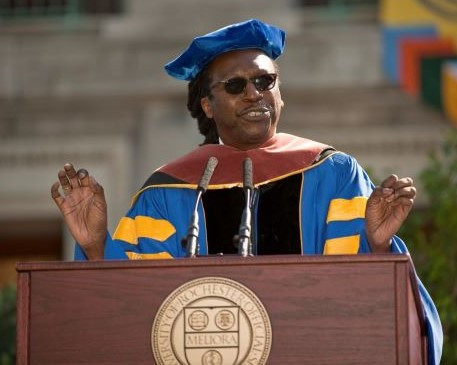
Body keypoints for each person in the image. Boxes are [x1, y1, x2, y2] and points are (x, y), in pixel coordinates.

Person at [51, 19, 442, 363]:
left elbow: (368, 311)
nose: (254, 94)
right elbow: (130, 308)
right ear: (207, 104)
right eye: (236, 85)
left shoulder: (334, 174)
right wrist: (96, 245)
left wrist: (376, 247)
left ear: (280, 92)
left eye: (264, 81)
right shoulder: (168, 192)